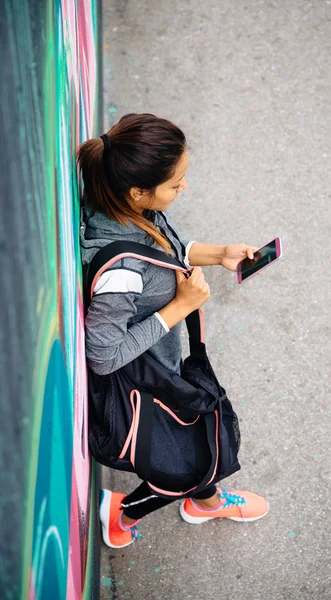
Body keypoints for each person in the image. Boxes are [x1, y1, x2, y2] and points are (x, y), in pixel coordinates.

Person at [78, 113, 269, 550]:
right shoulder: (121, 274)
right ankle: (122, 513)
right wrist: (179, 307)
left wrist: (218, 252)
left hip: (160, 363)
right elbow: (103, 355)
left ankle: (205, 500)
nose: (184, 189)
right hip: (144, 381)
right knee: (183, 462)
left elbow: (162, 248)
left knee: (197, 438)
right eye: (175, 184)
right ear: (140, 191)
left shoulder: (122, 206)